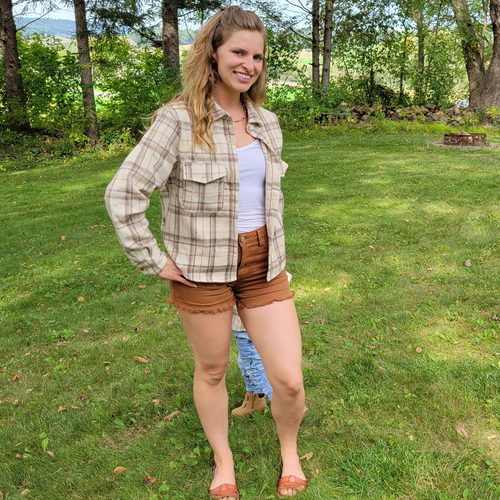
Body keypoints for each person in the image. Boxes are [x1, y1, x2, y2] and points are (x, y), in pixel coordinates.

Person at [105, 6, 307, 499]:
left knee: (291, 382)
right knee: (213, 369)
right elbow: (124, 193)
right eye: (239, 52)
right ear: (212, 54)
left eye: (257, 56)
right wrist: (155, 260)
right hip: (201, 272)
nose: (250, 64)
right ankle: (224, 462)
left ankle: (290, 451)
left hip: (263, 265)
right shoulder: (177, 120)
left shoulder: (266, 121)